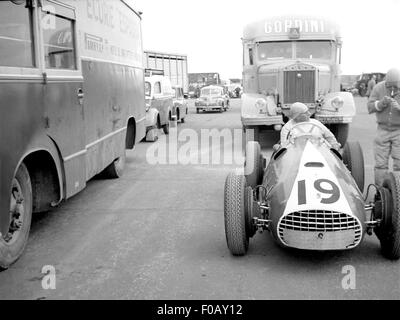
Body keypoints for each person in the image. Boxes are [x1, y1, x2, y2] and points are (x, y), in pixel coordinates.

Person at [367, 67, 400, 186]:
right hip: (382, 130)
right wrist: (380, 104)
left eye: (395, 87)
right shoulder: (378, 88)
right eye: (389, 86)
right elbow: (370, 107)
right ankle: (380, 193)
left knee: (399, 163)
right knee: (380, 164)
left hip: (399, 131)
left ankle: (398, 194)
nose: (392, 89)